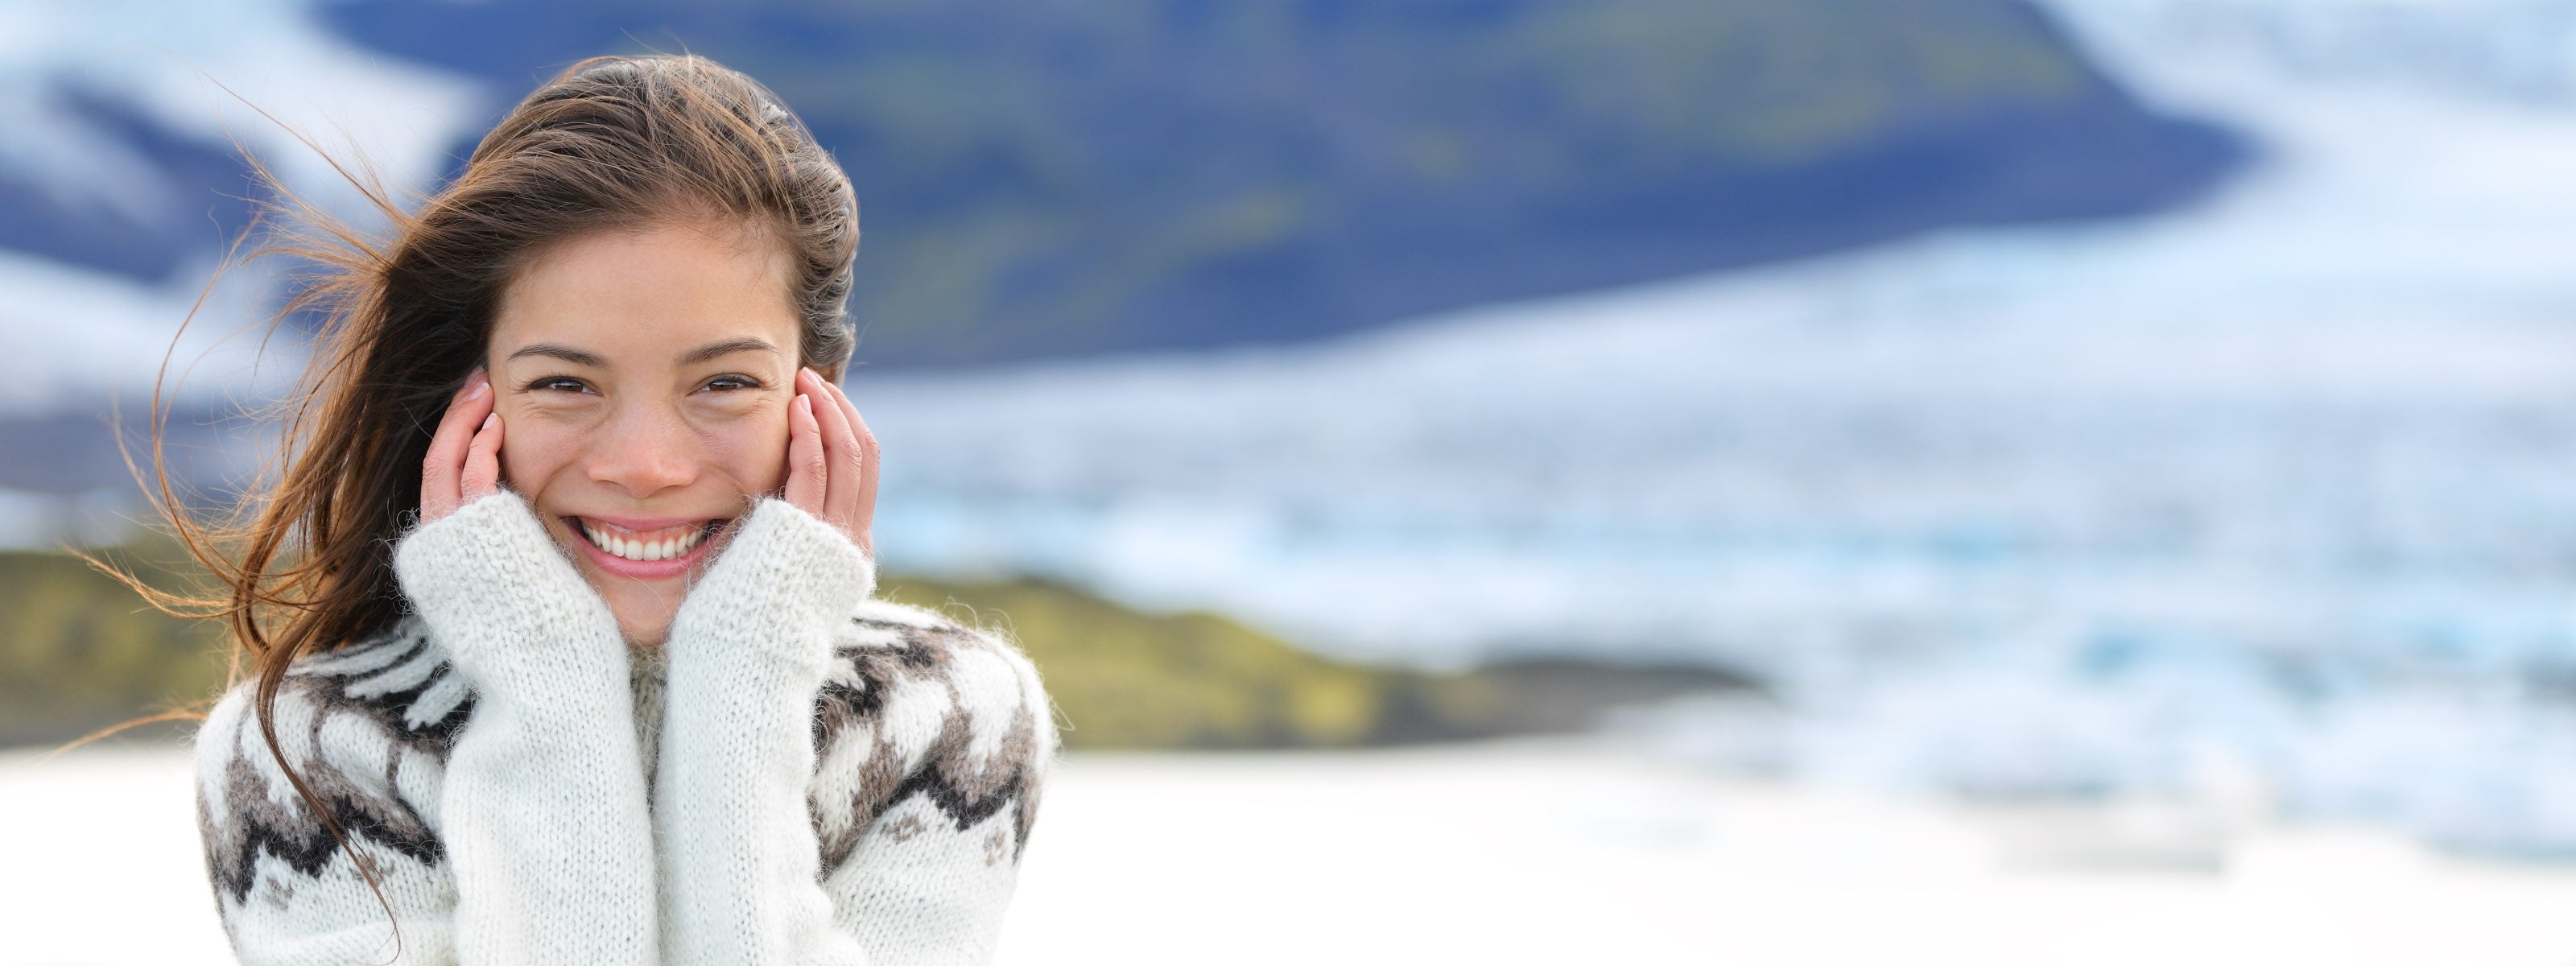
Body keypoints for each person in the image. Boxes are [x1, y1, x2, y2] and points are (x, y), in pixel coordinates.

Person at [173, 54, 1059, 964]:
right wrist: (541, 682)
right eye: (564, 382)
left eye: (722, 382)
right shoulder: (308, 750)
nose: (645, 466)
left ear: (814, 395)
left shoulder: (947, 716)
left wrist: (751, 668)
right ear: (469, 401)